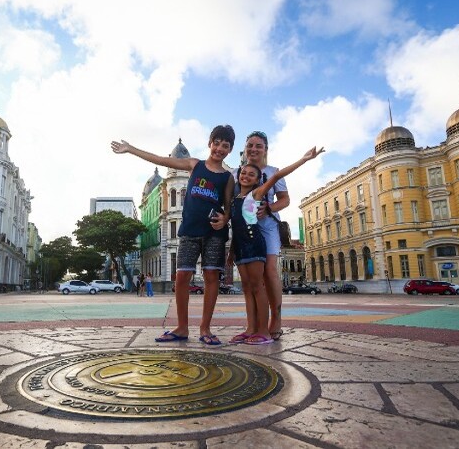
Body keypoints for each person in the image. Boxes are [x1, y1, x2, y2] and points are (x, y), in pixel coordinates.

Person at [111, 125, 235, 345]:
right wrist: (131, 149)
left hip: (214, 234)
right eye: (217, 143)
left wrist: (225, 219)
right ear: (210, 143)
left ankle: (205, 329)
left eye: (225, 146)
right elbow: (160, 160)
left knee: (211, 278)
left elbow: (228, 206)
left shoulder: (227, 177)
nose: (220, 149)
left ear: (230, 149)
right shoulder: (194, 165)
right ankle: (182, 327)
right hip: (188, 231)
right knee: (183, 277)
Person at [228, 146, 324, 345]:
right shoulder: (234, 199)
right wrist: (231, 252)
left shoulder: (255, 195)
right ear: (238, 176)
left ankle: (263, 331)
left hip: (254, 245)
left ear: (258, 180)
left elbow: (278, 174)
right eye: (243, 172)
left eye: (251, 174)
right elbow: (235, 226)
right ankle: (251, 328)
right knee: (247, 287)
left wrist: (304, 159)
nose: (246, 175)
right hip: (240, 248)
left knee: (257, 287)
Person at [233, 130, 288, 341]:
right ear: (245, 149)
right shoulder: (238, 172)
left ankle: (276, 320)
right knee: (250, 281)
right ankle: (254, 325)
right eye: (250, 146)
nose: (254, 149)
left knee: (270, 272)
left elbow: (285, 199)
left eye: (258, 146)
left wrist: (269, 208)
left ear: (265, 149)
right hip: (246, 229)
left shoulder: (274, 171)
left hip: (267, 226)